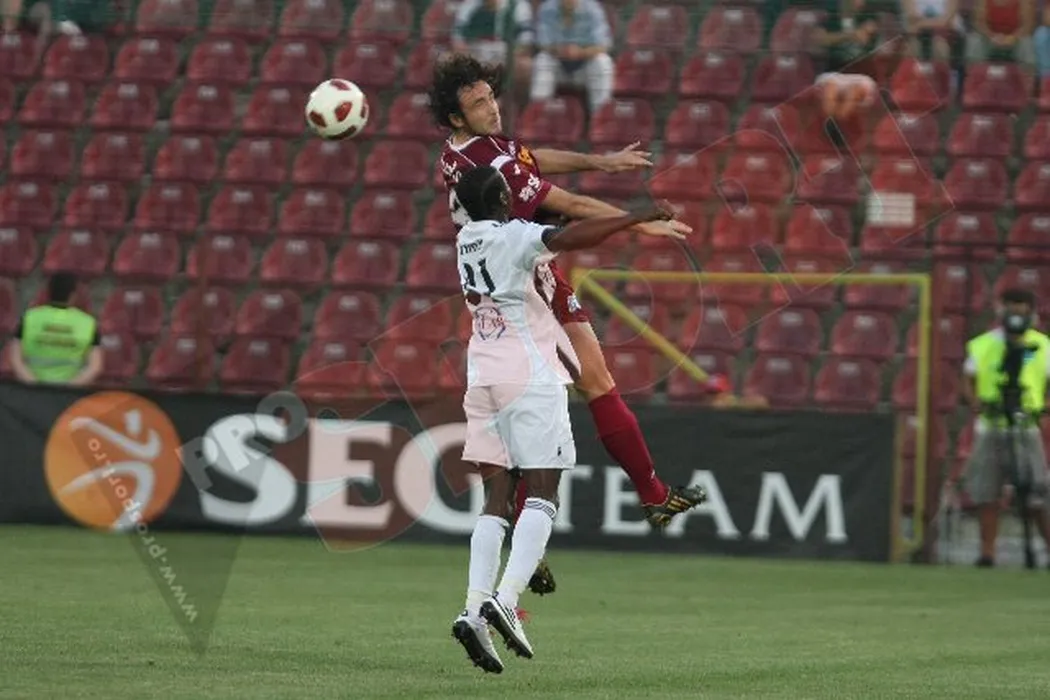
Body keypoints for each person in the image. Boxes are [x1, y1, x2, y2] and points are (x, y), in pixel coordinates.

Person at [429, 54, 707, 596]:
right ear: (457, 116)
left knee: (560, 393)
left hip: (503, 275)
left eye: (491, 96)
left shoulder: (462, 150)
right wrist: (639, 223)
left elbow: (531, 159)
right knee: (591, 384)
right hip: (523, 278)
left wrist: (603, 162)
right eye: (479, 104)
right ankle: (649, 496)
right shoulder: (492, 161)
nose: (492, 107)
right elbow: (568, 203)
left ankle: (639, 499)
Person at [449, 164, 676, 673]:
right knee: (543, 492)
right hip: (528, 374)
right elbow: (568, 238)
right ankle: (506, 600)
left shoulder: (465, 240)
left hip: (481, 376)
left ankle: (473, 610)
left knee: (496, 501)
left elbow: (537, 236)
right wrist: (634, 217)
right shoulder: (514, 237)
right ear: (503, 201)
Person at [960, 288, 1050, 567]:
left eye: (1022, 308)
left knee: (1036, 491)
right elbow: (968, 377)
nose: (1016, 314)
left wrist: (1043, 406)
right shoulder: (983, 344)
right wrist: (976, 402)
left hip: (1026, 423)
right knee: (987, 491)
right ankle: (987, 553)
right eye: (1012, 307)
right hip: (991, 424)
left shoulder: (1043, 345)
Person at [8, 271, 103, 387]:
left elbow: (15, 358)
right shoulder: (88, 323)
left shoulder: (30, 317)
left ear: (48, 292)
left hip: (32, 390)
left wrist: (34, 385)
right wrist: (68, 388)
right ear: (73, 294)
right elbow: (95, 367)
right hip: (69, 393)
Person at [529, 0, 614, 112]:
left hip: (584, 66)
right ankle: (539, 112)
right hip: (558, 64)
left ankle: (600, 114)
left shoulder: (593, 9)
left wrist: (579, 52)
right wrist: (561, 50)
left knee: (603, 62)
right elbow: (542, 43)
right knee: (542, 59)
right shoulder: (547, 8)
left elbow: (603, 45)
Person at [451, 0, 534, 92]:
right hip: (476, 50)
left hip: (507, 51)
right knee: (451, 62)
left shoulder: (518, 5)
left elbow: (526, 40)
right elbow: (458, 38)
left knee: (525, 65)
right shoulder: (469, 5)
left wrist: (513, 55)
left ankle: (507, 97)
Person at [966, 0, 1037, 67]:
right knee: (974, 40)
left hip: (1016, 39)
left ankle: (1027, 74)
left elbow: (1027, 25)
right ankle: (974, 73)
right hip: (990, 39)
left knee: (1026, 42)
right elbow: (979, 22)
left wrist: (1012, 38)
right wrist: (991, 36)